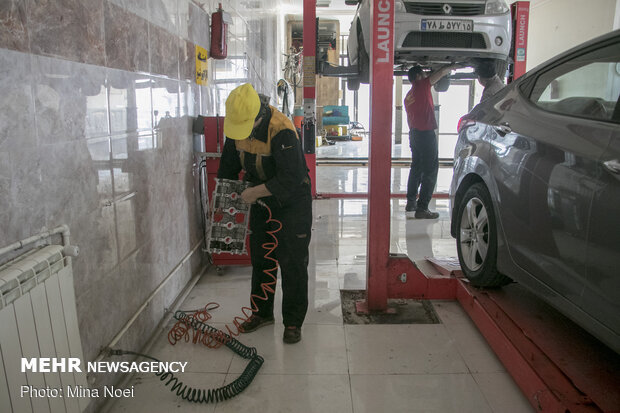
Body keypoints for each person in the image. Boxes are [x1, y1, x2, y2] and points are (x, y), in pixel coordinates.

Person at [217, 83, 312, 344]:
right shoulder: (237, 125)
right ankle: (262, 313)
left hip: (292, 201)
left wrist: (254, 192)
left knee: (292, 262)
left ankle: (292, 322)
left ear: (259, 117)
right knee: (261, 257)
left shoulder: (281, 129)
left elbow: (291, 177)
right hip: (260, 200)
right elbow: (227, 167)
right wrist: (226, 205)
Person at [404, 64, 459, 219]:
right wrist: (453, 66)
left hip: (414, 133)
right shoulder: (421, 86)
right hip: (425, 134)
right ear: (418, 77)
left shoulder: (409, 95)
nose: (426, 76)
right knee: (431, 170)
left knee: (416, 168)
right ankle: (422, 208)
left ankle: (411, 202)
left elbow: (409, 118)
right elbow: (440, 72)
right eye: (423, 74)